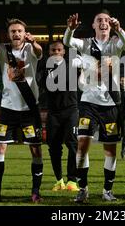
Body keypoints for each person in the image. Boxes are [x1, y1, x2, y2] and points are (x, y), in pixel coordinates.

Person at [64, 10, 125, 203]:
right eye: (99, 20)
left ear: (110, 25)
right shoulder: (85, 44)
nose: (103, 22)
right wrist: (70, 29)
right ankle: (82, 189)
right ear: (93, 25)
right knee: (82, 145)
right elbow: (68, 42)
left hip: (110, 104)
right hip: (88, 103)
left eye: (106, 20)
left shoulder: (115, 45)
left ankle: (107, 190)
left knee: (110, 150)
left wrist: (120, 30)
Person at [0, 19, 44, 203]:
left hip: (29, 109)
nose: (16, 34)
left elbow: (39, 52)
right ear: (8, 34)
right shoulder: (3, 50)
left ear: (25, 33)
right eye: (13, 31)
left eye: (19, 31)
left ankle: (35, 192)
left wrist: (33, 42)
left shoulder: (31, 49)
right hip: (8, 109)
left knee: (36, 151)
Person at [44, 40, 79, 192]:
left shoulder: (73, 64)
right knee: (53, 147)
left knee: (72, 144)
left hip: (71, 110)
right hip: (53, 112)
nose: (56, 53)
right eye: (53, 50)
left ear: (64, 52)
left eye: (59, 50)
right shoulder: (44, 66)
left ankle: (72, 180)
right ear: (49, 52)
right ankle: (59, 180)